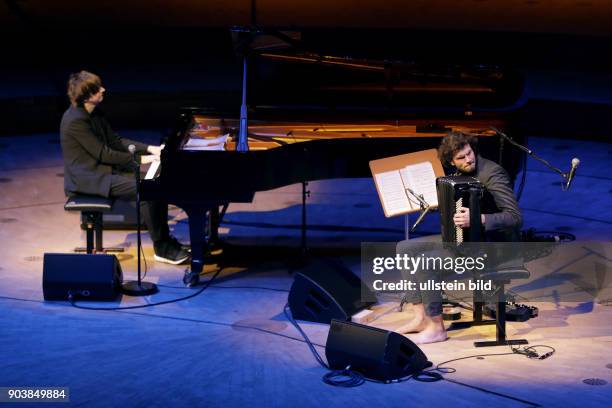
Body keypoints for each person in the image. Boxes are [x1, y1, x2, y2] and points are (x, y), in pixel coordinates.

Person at [398, 131, 523, 343]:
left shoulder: (493, 173)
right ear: (451, 161)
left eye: (469, 153)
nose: (468, 159)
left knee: (425, 263)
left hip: (492, 246)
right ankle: (420, 317)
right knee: (405, 248)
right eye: (461, 158)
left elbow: (515, 217)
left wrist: (478, 218)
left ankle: (436, 328)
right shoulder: (456, 174)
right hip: (464, 239)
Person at [60, 70, 189, 264]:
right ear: (86, 96)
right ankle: (161, 247)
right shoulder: (76, 121)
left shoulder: (94, 114)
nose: (103, 89)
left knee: (155, 185)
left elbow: (116, 141)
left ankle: (165, 241)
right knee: (149, 192)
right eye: (97, 89)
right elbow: (103, 153)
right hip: (90, 179)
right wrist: (142, 160)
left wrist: (151, 149)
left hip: (103, 171)